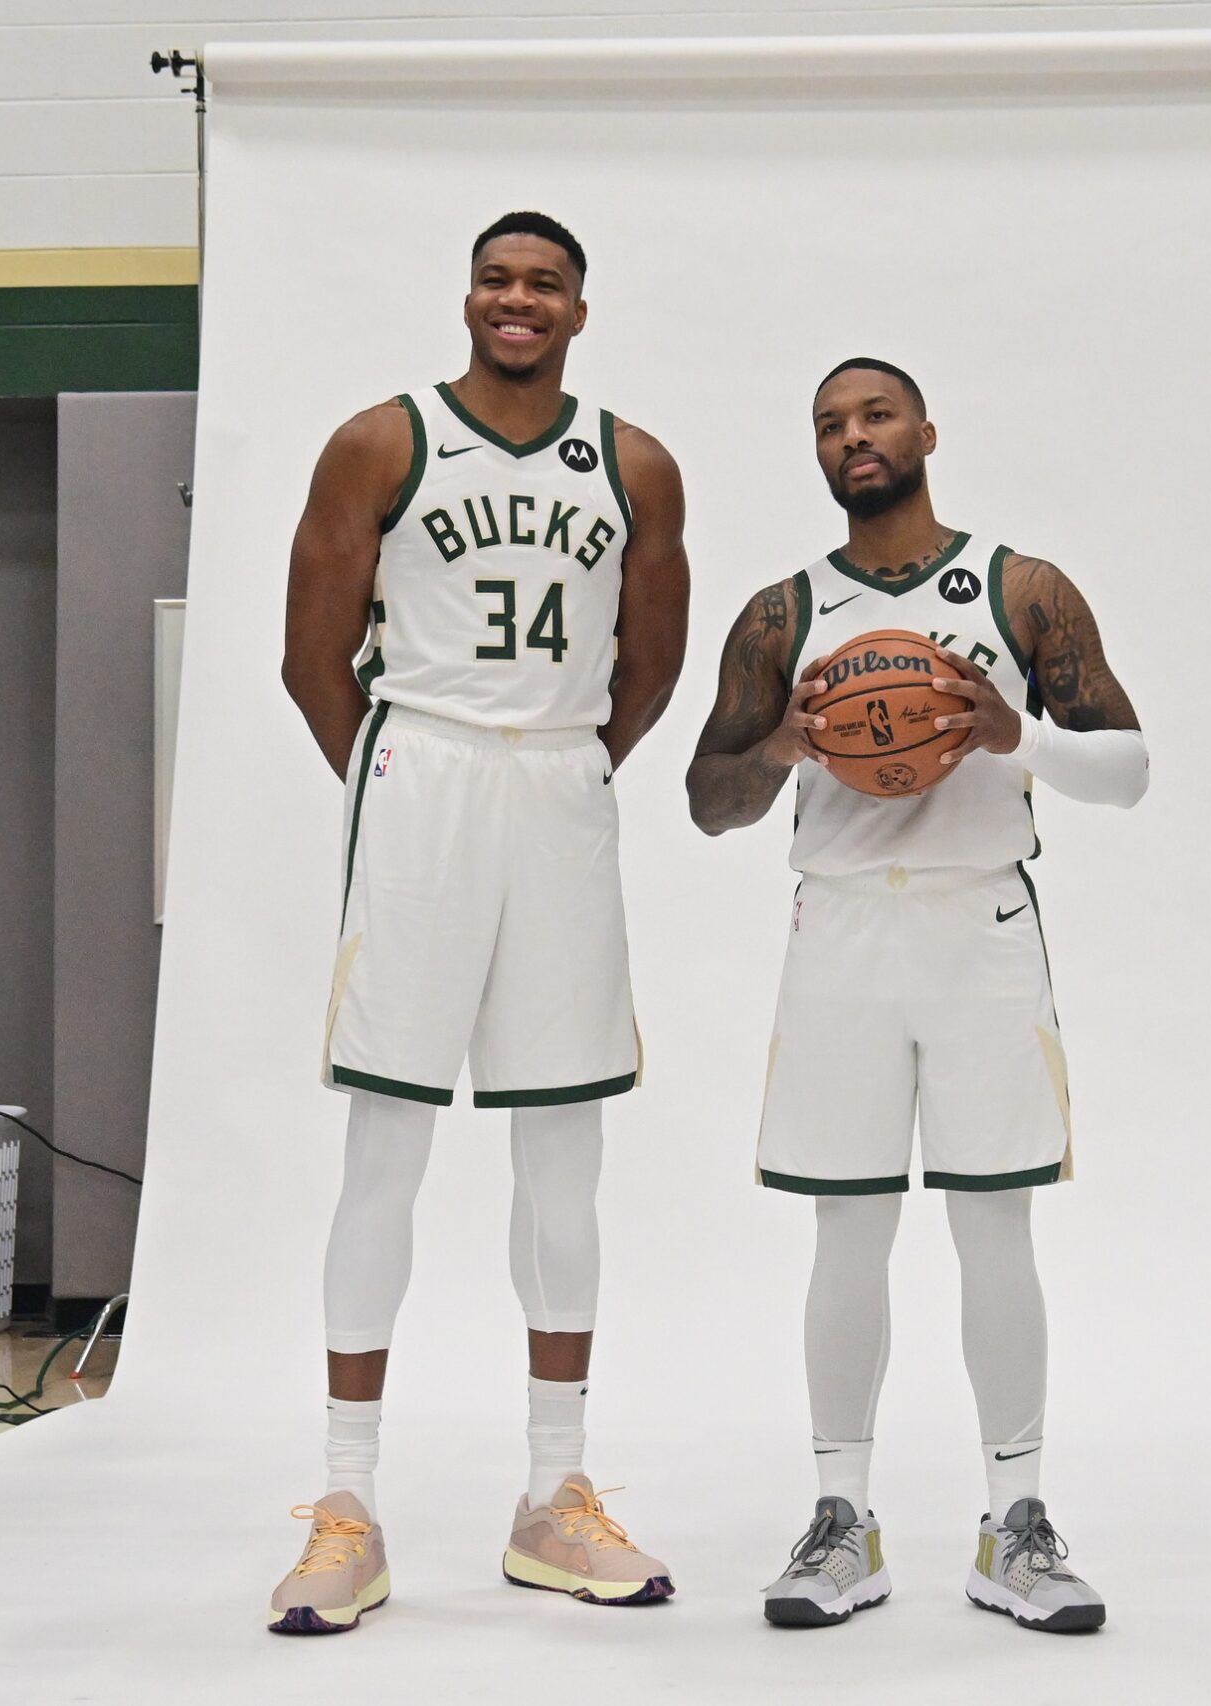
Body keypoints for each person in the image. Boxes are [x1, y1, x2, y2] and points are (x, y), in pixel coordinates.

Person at [270, 210, 689, 1634]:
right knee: (385, 1140)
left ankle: (554, 1495)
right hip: (424, 767)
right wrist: (396, 787)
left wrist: (561, 766)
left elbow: (655, 658)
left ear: (581, 307)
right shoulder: (381, 441)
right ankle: (345, 1503)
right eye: (499, 278)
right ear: (468, 295)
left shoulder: (633, 462)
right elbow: (307, 653)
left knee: (563, 1149)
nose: (520, 299)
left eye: (547, 283)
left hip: (559, 780)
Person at [686, 357, 1148, 1633]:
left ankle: (1018, 1521)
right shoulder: (783, 613)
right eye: (830, 424)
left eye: (875, 414)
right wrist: (785, 743)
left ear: (926, 430)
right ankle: (843, 1517)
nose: (854, 437)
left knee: (995, 1222)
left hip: (980, 921)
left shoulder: (1021, 588)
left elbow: (1130, 766)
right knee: (847, 1229)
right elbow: (705, 798)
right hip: (837, 928)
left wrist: (1017, 735)